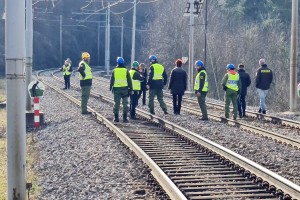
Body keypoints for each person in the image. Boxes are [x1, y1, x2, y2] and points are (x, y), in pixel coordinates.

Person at [110, 57, 133, 123]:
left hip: (116, 89)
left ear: (117, 63)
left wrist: (110, 87)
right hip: (125, 89)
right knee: (125, 104)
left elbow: (112, 80)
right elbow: (129, 81)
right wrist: (131, 89)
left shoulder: (114, 70)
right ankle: (125, 118)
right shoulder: (126, 70)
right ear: (123, 62)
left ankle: (116, 118)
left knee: (116, 103)